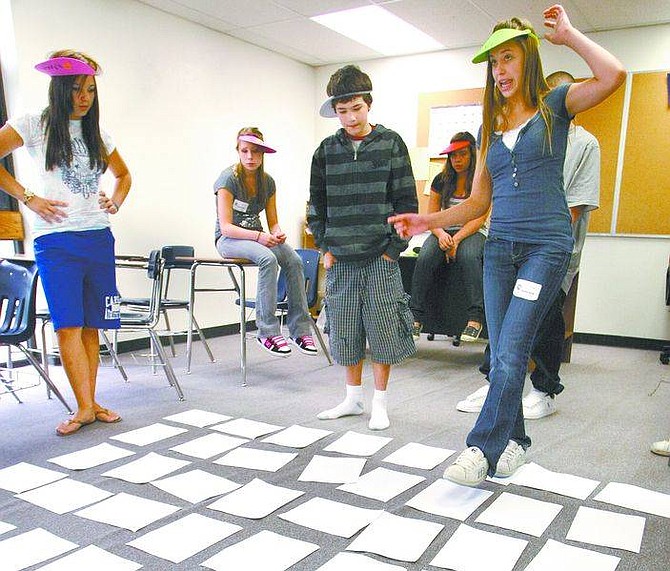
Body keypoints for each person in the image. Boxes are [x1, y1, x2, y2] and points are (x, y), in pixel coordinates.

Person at [390, 5, 625, 485]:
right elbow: (478, 202)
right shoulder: (490, 127)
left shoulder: (555, 106)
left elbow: (614, 74)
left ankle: (481, 447)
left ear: (528, 60)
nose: (500, 71)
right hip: (500, 249)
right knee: (501, 350)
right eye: (494, 63)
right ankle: (515, 442)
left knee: (514, 345)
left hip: (545, 248)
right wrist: (427, 219)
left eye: (509, 59)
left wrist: (570, 36)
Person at [0, 50, 132, 436]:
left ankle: (90, 404)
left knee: (92, 323)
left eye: (90, 89)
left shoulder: (98, 135)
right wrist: (28, 197)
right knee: (67, 324)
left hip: (97, 236)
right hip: (56, 240)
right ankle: (83, 406)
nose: (84, 97)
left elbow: (124, 177)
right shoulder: (33, 124)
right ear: (59, 89)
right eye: (76, 89)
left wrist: (115, 200)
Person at [457, 70, 601, 419]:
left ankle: (544, 387)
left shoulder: (584, 144)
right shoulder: (519, 130)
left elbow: (574, 206)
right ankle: (499, 384)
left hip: (551, 247)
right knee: (504, 317)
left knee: (547, 315)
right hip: (510, 243)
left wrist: (538, 239)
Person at [308, 65, 418, 431]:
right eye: (342, 111)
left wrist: (393, 250)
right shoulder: (325, 151)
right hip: (340, 258)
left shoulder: (391, 144)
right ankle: (353, 398)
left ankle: (380, 403)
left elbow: (407, 204)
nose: (351, 117)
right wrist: (324, 246)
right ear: (335, 113)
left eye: (356, 108)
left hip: (380, 257)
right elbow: (316, 205)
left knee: (384, 328)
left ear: (368, 104)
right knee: (344, 329)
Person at [214, 127, 317, 358]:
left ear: (263, 154)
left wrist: (278, 233)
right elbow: (226, 226)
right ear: (238, 151)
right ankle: (267, 331)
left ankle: (300, 330)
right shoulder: (227, 180)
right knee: (268, 259)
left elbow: (273, 222)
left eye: (255, 152)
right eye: (245, 151)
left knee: (294, 260)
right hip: (229, 239)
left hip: (257, 237)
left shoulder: (268, 182)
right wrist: (260, 237)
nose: (250, 157)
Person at [409, 131, 487, 343]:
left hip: (471, 231)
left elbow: (479, 218)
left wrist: (458, 239)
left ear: (472, 154)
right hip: (443, 231)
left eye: (462, 154)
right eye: (453, 156)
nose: (457, 160)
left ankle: (475, 319)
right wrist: (442, 234)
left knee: (469, 256)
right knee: (425, 257)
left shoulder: (481, 180)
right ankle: (414, 317)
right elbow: (431, 216)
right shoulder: (441, 180)